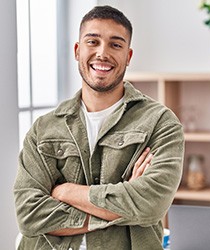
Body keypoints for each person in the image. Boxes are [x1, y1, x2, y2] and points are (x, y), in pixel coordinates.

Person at [14, 5, 184, 250]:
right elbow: (29, 214)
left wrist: (65, 191)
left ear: (128, 56)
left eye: (116, 44)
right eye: (92, 42)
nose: (102, 53)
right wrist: (120, 209)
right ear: (77, 50)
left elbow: (150, 204)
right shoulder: (43, 129)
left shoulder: (161, 123)